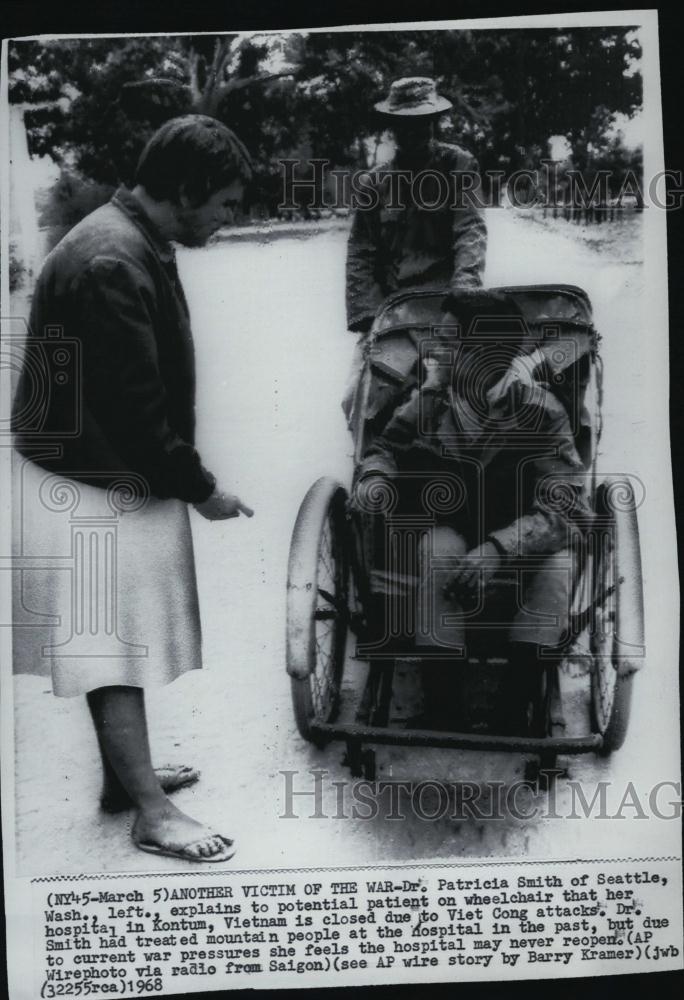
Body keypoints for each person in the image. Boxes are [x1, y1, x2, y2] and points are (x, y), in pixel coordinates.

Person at [12, 115, 254, 862]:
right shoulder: (113, 259)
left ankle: (128, 779)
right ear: (185, 189)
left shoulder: (129, 237)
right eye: (224, 203)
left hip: (93, 465)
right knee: (108, 647)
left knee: (111, 640)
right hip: (91, 478)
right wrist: (201, 489)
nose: (227, 218)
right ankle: (151, 812)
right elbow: (139, 413)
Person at [355, 294, 592, 730]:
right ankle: (443, 708)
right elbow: (384, 448)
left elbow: (566, 509)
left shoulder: (542, 413)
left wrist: (498, 549)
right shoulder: (431, 402)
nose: (434, 352)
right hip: (457, 526)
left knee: (558, 568)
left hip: (526, 535)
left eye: (448, 342)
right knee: (437, 548)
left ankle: (514, 709)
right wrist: (376, 478)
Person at [342, 76, 487, 422]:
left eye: (422, 123)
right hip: (394, 314)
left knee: (476, 399)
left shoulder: (458, 166)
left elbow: (470, 231)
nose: (414, 132)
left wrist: (464, 294)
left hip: (448, 308)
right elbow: (361, 251)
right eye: (404, 124)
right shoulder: (375, 182)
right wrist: (369, 319)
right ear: (392, 127)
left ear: (434, 123)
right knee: (358, 402)